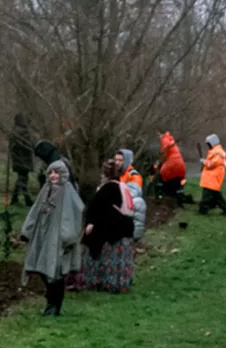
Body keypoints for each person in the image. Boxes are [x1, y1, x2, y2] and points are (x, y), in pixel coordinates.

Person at [19, 160, 83, 316]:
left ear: (63, 174)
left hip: (59, 240)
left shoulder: (68, 192)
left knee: (56, 272)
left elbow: (74, 213)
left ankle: (54, 306)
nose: (53, 176)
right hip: (43, 236)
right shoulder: (46, 190)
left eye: (57, 172)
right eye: (51, 172)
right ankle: (50, 302)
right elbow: (35, 211)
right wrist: (27, 231)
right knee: (42, 268)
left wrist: (67, 238)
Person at [82, 156, 136, 293]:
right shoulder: (122, 186)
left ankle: (103, 282)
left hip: (112, 232)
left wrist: (92, 225)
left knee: (104, 257)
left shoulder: (107, 189)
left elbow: (100, 210)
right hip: (125, 230)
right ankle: (121, 282)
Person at [117, 150, 148, 241]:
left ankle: (134, 236)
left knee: (138, 202)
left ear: (126, 161)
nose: (117, 162)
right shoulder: (118, 173)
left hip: (128, 207)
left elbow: (133, 194)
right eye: (116, 160)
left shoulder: (134, 176)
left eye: (120, 160)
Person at [199, 134, 226, 215]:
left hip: (213, 177)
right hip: (211, 177)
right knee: (216, 195)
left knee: (207, 196)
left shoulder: (218, 152)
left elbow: (212, 164)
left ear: (212, 143)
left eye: (208, 144)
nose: (208, 145)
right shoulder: (215, 151)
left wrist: (203, 161)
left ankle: (203, 210)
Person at [9, 114, 35, 206]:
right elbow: (29, 144)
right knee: (23, 179)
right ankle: (26, 200)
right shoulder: (24, 131)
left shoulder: (15, 130)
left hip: (18, 158)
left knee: (22, 178)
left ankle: (15, 199)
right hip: (23, 159)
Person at [156, 132, 187, 207]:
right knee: (178, 182)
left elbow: (164, 153)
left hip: (172, 163)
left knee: (162, 176)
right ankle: (179, 199)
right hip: (181, 163)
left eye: (157, 134)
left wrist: (159, 163)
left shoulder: (164, 140)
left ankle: (161, 197)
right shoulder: (171, 139)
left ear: (161, 133)